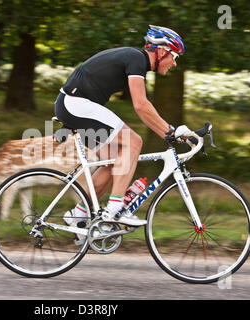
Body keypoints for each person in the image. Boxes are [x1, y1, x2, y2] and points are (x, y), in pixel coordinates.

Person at [56, 25, 187, 229]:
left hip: (73, 105)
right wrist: (169, 131)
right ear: (162, 51)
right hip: (76, 104)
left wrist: (167, 131)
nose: (174, 63)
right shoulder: (136, 58)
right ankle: (115, 209)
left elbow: (142, 107)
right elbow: (141, 105)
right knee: (133, 141)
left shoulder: (136, 62)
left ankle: (78, 215)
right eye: (175, 57)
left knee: (114, 162)